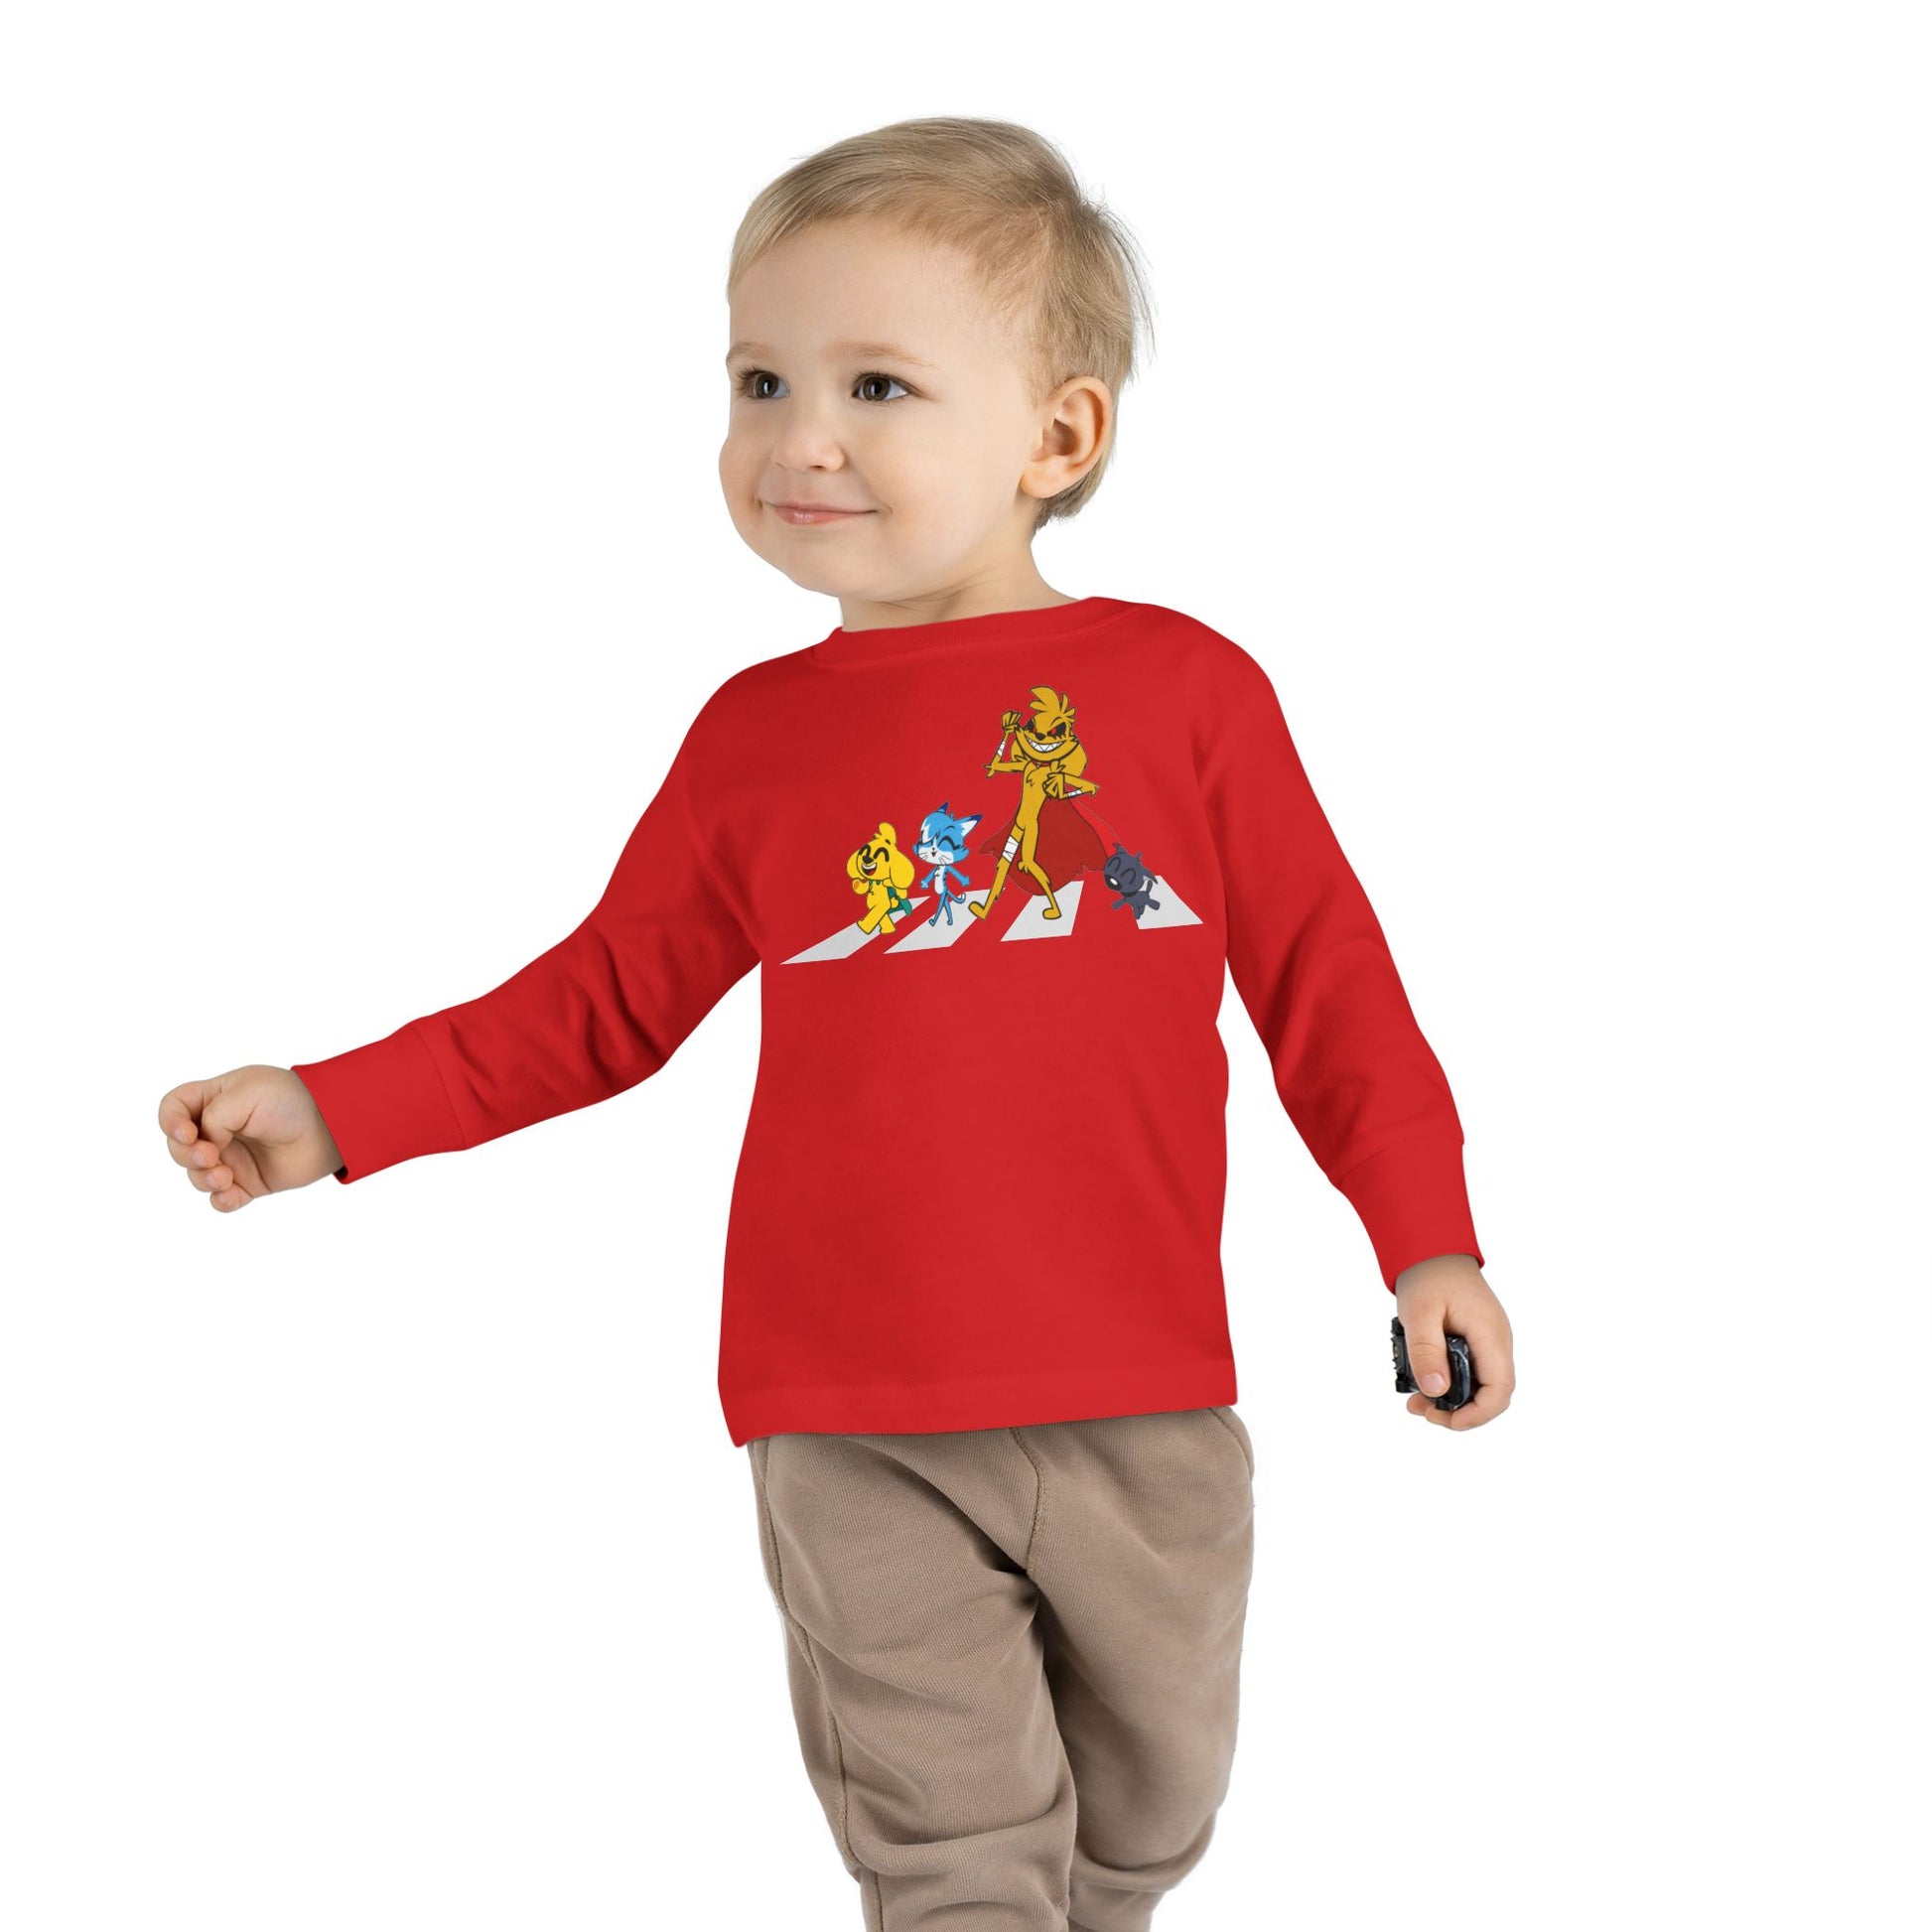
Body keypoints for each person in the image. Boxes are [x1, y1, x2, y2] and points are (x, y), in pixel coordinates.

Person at [157, 115, 1517, 1932]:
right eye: (759, 380)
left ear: (1057, 437)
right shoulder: (756, 737)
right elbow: (601, 999)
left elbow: (1326, 984)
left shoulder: (1184, 691)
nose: (800, 436)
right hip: (846, 1401)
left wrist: (1425, 1240)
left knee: (1149, 1811)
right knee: (952, 1851)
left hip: (1141, 1393)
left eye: (876, 385)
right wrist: (340, 1108)